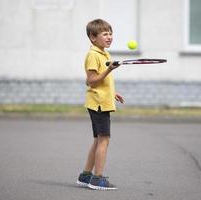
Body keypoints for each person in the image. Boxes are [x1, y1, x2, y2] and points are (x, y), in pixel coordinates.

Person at [77, 19, 124, 190]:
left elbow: (102, 82)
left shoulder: (104, 53)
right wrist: (109, 69)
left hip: (102, 101)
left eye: (110, 33)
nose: (110, 37)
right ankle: (97, 179)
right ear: (93, 37)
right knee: (104, 140)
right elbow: (91, 81)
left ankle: (86, 176)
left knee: (98, 140)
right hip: (98, 104)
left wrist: (113, 93)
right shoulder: (93, 55)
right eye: (105, 34)